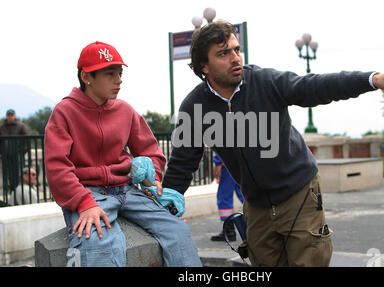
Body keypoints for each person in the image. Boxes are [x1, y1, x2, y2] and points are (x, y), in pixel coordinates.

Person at [162, 21, 384, 267]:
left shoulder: (265, 81)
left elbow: (316, 86)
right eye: (223, 53)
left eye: (236, 49)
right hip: (257, 206)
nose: (235, 58)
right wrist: (167, 203)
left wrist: (371, 80)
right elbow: (182, 162)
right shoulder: (194, 108)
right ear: (204, 66)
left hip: (299, 194)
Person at [44, 41, 201, 267]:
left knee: (178, 231)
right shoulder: (64, 112)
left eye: (120, 73)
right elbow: (57, 167)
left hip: (127, 190)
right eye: (110, 74)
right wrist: (83, 202)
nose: (119, 80)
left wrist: (152, 177)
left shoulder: (125, 110)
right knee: (97, 242)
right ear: (86, 77)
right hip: (88, 192)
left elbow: (152, 152)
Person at [210, 153, 244, 242]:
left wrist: (217, 162)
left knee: (224, 197)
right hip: (240, 161)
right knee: (244, 193)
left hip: (227, 163)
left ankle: (229, 231)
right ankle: (262, 220)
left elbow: (222, 141)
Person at [0, 109, 28, 192]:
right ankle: (12, 191)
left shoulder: (21, 126)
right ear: (6, 116)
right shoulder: (1, 127)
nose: (10, 117)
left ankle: (18, 192)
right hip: (6, 155)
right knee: (8, 174)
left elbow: (27, 140)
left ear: (14, 116)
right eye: (8, 115)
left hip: (18, 154)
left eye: (11, 115)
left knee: (19, 173)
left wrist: (22, 151)